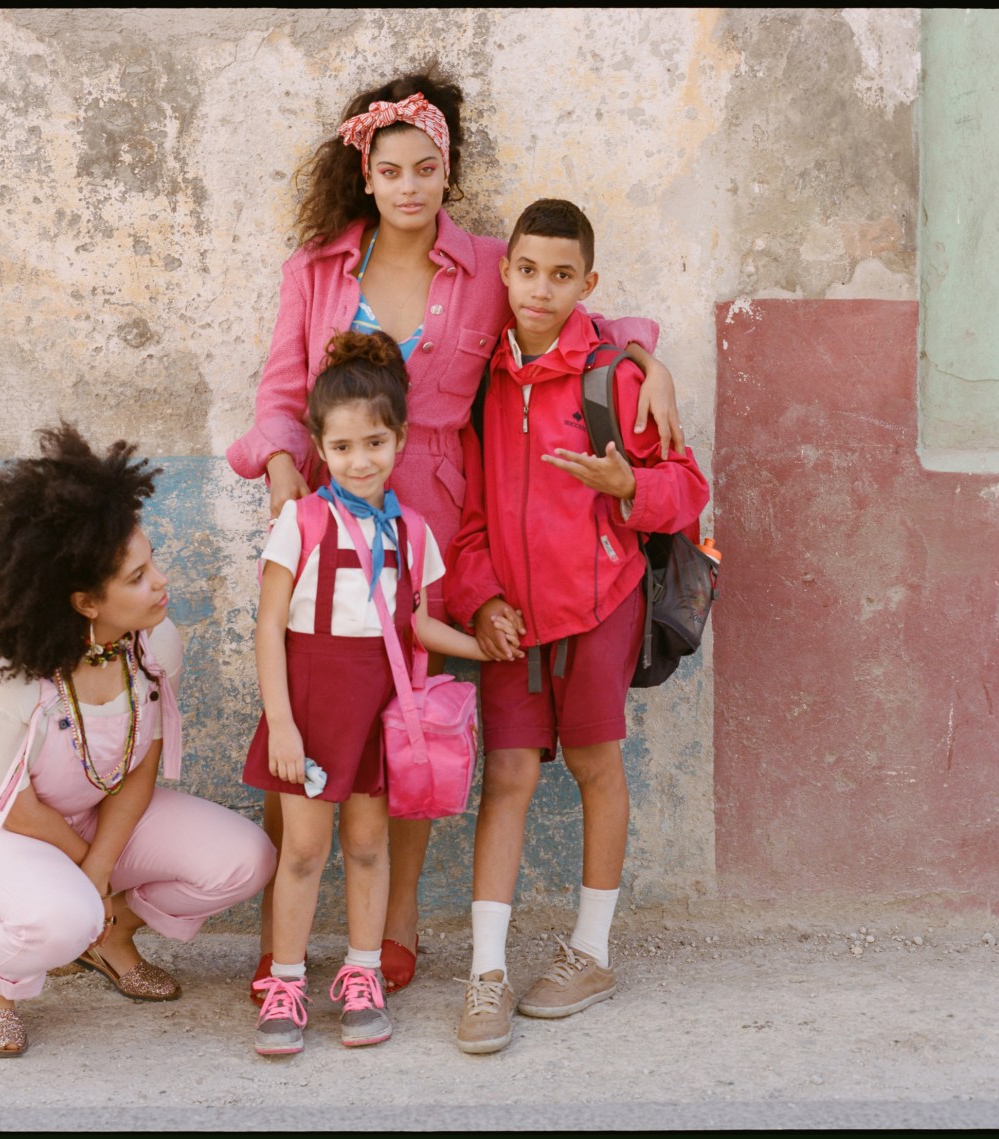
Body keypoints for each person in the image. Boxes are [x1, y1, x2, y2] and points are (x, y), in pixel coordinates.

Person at [226, 68, 687, 999]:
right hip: (328, 513)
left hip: (434, 514)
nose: (407, 186)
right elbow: (281, 396)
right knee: (314, 717)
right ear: (366, 172)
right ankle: (285, 938)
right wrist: (282, 470)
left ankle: (392, 928)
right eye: (390, 169)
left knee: (409, 721)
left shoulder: (483, 264)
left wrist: (646, 355)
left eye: (425, 169)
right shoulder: (317, 270)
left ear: (447, 173)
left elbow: (569, 314)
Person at [0, 422, 277, 1057]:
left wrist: (99, 870)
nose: (160, 581)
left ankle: (107, 937)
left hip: (91, 818)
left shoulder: (156, 645)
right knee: (62, 912)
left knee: (246, 858)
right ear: (84, 602)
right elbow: (13, 805)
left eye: (151, 560)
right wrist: (88, 881)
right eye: (137, 577)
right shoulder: (2, 675)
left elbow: (142, 765)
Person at [445, 199, 710, 1054]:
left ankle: (591, 952)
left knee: (597, 764)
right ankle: (487, 971)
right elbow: (473, 514)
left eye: (562, 275)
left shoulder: (618, 377)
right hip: (514, 624)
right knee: (509, 777)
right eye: (527, 270)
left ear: (587, 283)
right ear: (506, 272)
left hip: (600, 607)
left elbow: (685, 489)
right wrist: (481, 601)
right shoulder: (487, 378)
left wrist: (627, 486)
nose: (541, 289)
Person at [241, 331, 496, 1056]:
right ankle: (286, 982)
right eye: (344, 446)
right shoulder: (302, 521)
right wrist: (283, 725)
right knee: (303, 849)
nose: (361, 460)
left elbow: (417, 623)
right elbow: (268, 629)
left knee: (366, 846)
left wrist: (482, 647)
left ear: (402, 440)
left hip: (378, 711)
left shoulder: (414, 534)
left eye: (376, 443)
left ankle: (361, 974)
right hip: (311, 706)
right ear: (321, 446)